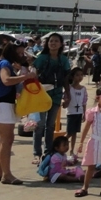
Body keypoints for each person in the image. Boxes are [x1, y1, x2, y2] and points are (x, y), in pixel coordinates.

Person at [0, 43, 37, 184]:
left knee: (3, 139)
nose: (21, 56)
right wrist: (25, 77)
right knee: (7, 139)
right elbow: (6, 80)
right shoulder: (4, 63)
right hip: (2, 103)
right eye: (20, 53)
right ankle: (6, 174)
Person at [32, 33, 72, 165]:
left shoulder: (64, 60)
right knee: (40, 125)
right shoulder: (41, 58)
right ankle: (37, 153)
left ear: (61, 44)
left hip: (56, 95)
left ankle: (48, 152)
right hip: (42, 95)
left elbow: (66, 78)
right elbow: (34, 75)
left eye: (56, 41)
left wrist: (67, 94)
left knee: (50, 125)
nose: (53, 43)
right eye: (51, 41)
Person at [65, 68, 89, 159]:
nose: (80, 77)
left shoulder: (83, 89)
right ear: (72, 76)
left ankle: (72, 150)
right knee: (69, 132)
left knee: (75, 133)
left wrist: (84, 113)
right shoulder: (69, 88)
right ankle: (60, 144)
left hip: (79, 113)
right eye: (77, 75)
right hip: (71, 113)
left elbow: (84, 102)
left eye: (81, 75)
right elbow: (66, 98)